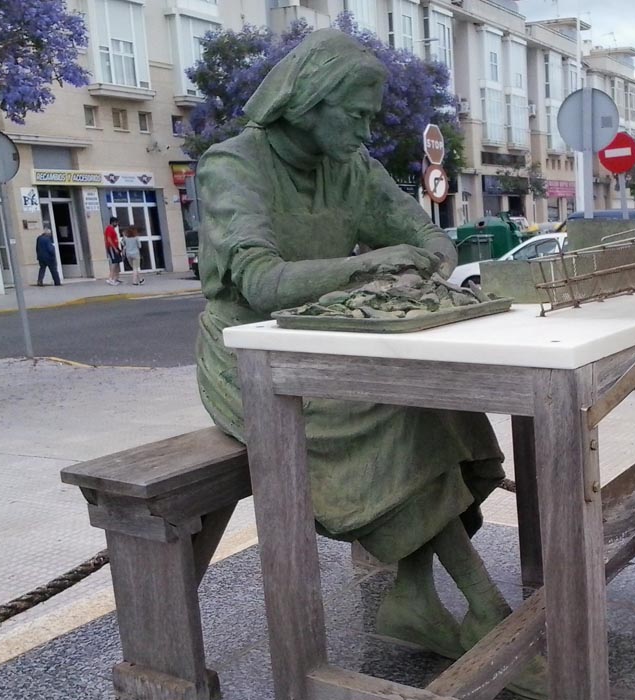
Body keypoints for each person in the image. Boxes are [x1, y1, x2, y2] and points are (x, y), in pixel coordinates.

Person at [194, 29, 545, 697]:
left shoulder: (350, 162)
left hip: (328, 343)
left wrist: (424, 259)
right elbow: (261, 284)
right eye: (353, 112)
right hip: (249, 359)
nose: (363, 126)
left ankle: (414, 597)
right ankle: (484, 611)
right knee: (398, 423)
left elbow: (427, 235)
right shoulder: (232, 165)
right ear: (307, 102)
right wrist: (371, 263)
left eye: (368, 115)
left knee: (438, 401)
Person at [103, 216, 123, 285]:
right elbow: (109, 239)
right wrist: (114, 248)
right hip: (111, 248)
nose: (117, 224)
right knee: (114, 263)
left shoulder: (112, 229)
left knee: (117, 262)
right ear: (113, 222)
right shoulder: (109, 229)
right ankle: (110, 279)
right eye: (116, 222)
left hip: (115, 247)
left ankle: (116, 278)